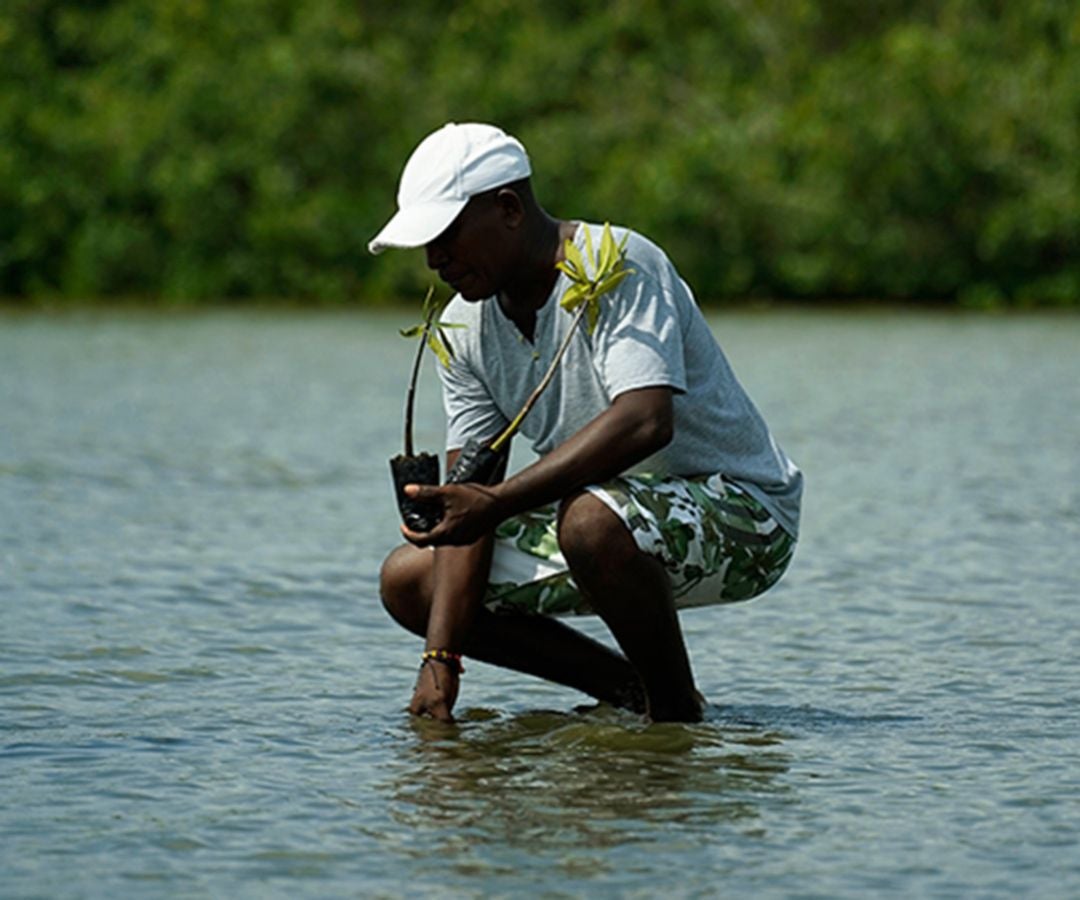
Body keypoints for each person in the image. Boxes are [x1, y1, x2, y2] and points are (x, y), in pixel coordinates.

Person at [370, 122, 802, 723]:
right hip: (611, 522)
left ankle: (675, 717)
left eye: (445, 235)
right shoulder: (464, 328)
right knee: (410, 578)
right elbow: (470, 502)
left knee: (590, 520)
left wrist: (494, 503)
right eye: (425, 243)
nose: (434, 258)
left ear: (509, 209)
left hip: (747, 519)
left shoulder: (616, 263)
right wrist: (440, 661)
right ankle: (632, 693)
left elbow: (646, 421)